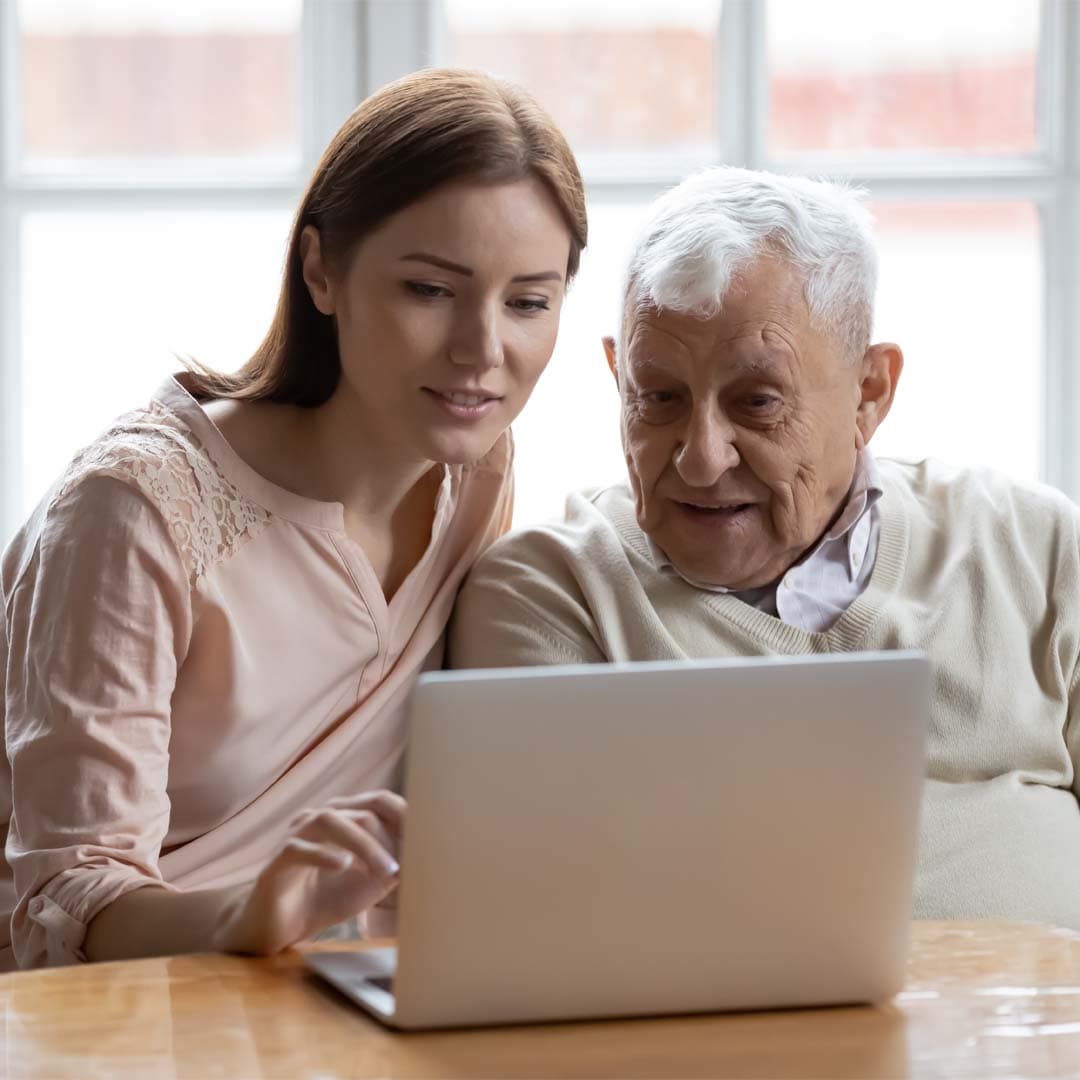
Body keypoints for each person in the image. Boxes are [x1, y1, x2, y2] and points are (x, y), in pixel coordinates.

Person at [0, 67, 586, 970]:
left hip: (326, 990)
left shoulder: (475, 472)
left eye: (528, 303)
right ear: (322, 271)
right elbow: (65, 901)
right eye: (430, 290)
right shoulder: (131, 513)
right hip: (123, 1005)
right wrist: (252, 916)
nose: (482, 351)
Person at [449, 166, 1080, 931]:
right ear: (619, 378)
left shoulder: (1036, 545)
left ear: (870, 391)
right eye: (659, 398)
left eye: (757, 402)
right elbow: (556, 918)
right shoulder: (553, 592)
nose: (700, 459)